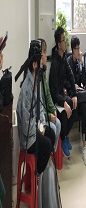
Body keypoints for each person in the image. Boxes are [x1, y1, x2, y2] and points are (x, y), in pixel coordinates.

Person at [16, 41, 54, 175]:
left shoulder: (37, 80)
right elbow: (26, 125)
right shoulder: (26, 88)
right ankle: (36, 174)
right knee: (47, 144)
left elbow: (41, 106)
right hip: (28, 137)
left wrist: (43, 125)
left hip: (36, 128)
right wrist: (38, 130)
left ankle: (43, 170)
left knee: (51, 133)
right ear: (34, 64)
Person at [49, 28, 80, 162]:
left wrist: (74, 94)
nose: (65, 41)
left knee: (75, 105)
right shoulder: (55, 63)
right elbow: (54, 92)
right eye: (63, 40)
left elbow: (70, 75)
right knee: (66, 110)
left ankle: (65, 136)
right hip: (55, 99)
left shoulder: (63, 58)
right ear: (58, 44)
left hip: (62, 95)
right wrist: (64, 103)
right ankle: (63, 138)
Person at [38, 39, 61, 154]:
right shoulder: (36, 77)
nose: (46, 55)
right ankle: (48, 154)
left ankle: (52, 152)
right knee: (54, 128)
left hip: (45, 112)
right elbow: (38, 106)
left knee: (58, 123)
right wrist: (48, 115)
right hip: (40, 117)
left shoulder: (43, 73)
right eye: (44, 51)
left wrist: (53, 109)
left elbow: (47, 94)